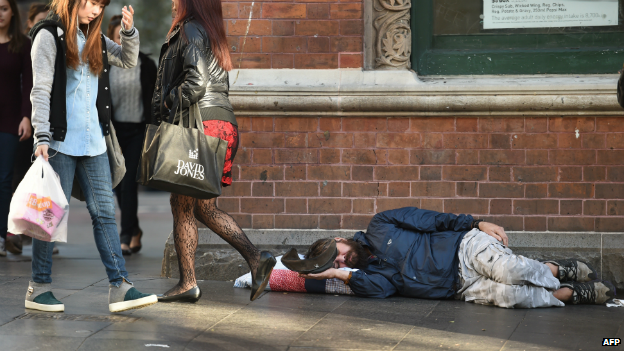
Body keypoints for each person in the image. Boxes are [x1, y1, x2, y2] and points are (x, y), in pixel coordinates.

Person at [28, 0, 157, 313]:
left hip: (95, 141)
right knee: (49, 214)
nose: (96, 10)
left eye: (101, 5)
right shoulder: (49, 34)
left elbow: (128, 60)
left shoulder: (95, 38)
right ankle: (39, 286)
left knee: (104, 213)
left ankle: (119, 286)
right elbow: (41, 89)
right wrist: (41, 135)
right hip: (59, 141)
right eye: (92, 3)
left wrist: (128, 31)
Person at [153, 0, 276, 303]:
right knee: (203, 208)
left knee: (181, 205)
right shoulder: (211, 32)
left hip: (201, 126)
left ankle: (188, 283)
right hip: (222, 124)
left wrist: (167, 101)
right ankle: (257, 260)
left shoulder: (190, 29)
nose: (172, 2)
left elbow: (195, 82)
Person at [301, 207, 615, 308]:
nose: (342, 262)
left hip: (463, 248)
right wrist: (338, 276)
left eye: (337, 256)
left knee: (508, 270)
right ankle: (571, 294)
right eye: (337, 265)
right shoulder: (370, 277)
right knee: (510, 297)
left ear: (341, 240)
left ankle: (556, 270)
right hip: (458, 288)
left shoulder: (380, 224)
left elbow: (431, 219)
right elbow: (380, 292)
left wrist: (476, 223)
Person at [106, 14, 157, 256]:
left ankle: (125, 235)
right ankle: (134, 229)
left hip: (138, 131)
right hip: (113, 132)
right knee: (117, 184)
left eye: (127, 34)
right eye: (118, 36)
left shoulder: (146, 64)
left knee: (128, 184)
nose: (123, 41)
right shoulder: (105, 64)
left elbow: (155, 101)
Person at [6, 2, 52, 256]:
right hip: (21, 120)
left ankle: (41, 233)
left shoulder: (52, 43)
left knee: (42, 180)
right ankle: (14, 230)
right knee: (17, 176)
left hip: (40, 122)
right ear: (29, 23)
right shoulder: (24, 45)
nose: (43, 25)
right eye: (39, 21)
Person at [0, 0, 33, 257]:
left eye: (3, 8)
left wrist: (26, 116)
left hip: (11, 121)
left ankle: (1, 236)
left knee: (4, 180)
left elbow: (29, 84)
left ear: (12, 12)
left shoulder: (22, 44)